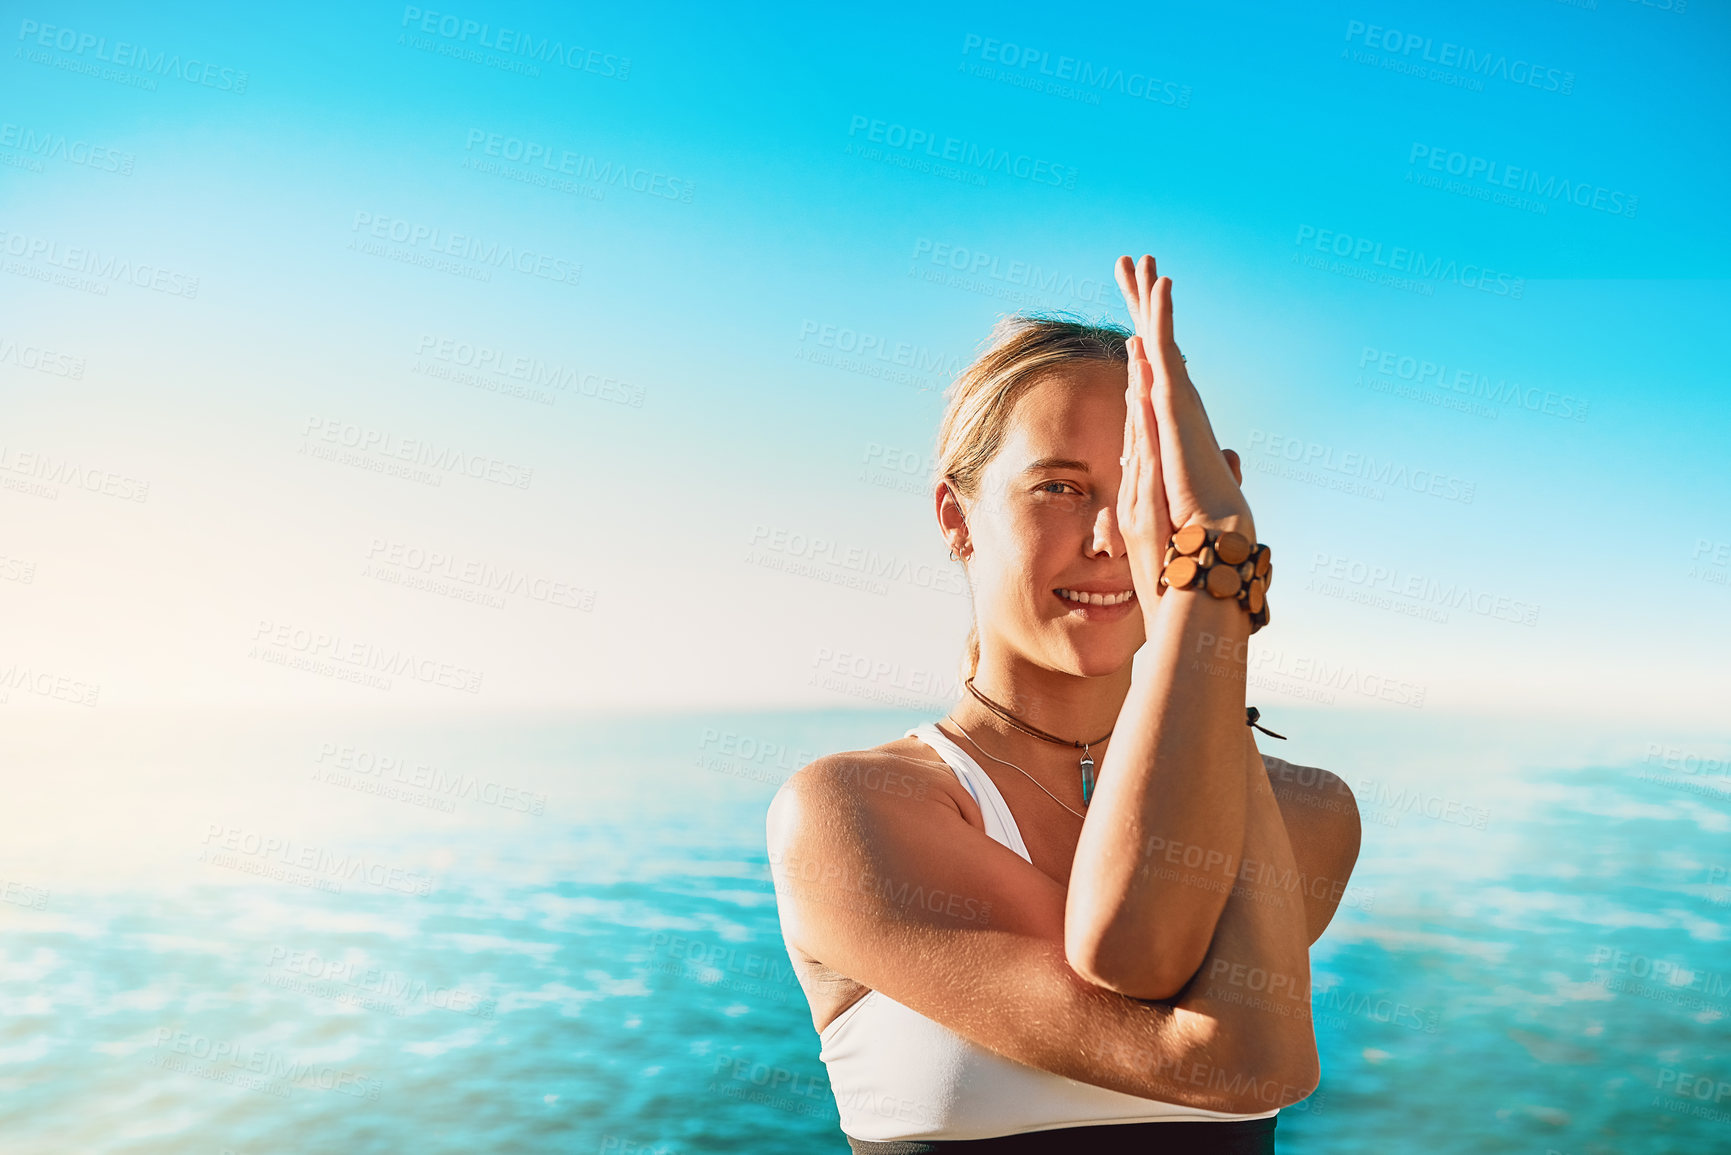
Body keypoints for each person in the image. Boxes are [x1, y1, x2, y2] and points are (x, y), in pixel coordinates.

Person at [767, 255, 1362, 1153]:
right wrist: (1215, 581)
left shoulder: (1307, 811)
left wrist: (1202, 598)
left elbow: (1137, 948)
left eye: (1144, 495)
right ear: (956, 518)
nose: (1112, 537)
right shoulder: (850, 812)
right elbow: (1234, 1056)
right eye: (1058, 487)